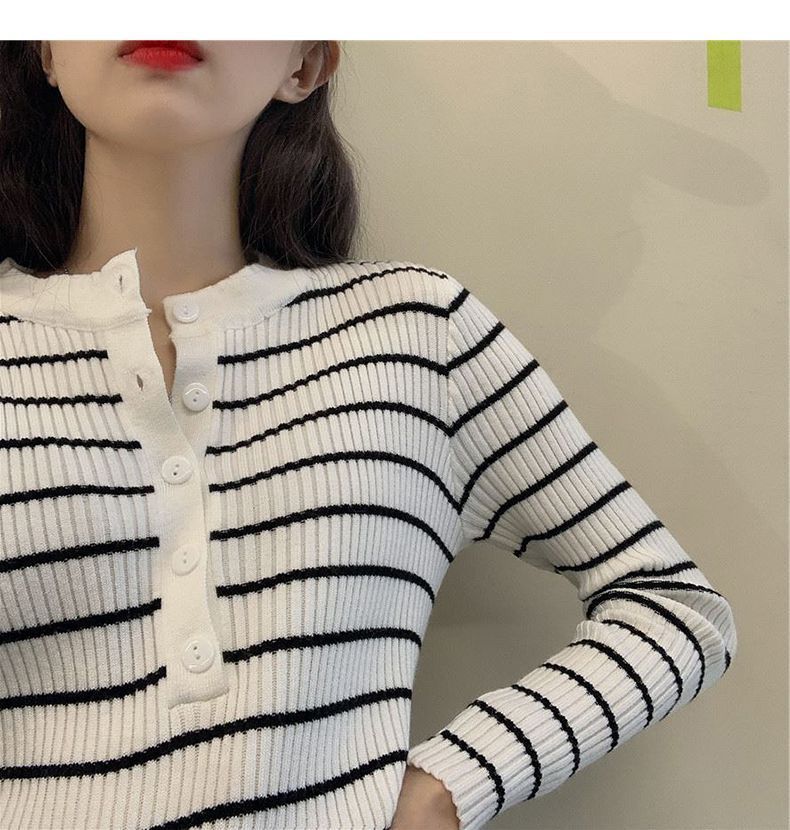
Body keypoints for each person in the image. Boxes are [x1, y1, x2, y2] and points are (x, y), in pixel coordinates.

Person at [0, 41, 736, 830]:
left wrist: (447, 788)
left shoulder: (419, 332)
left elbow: (678, 609)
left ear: (305, 66)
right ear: (44, 48)